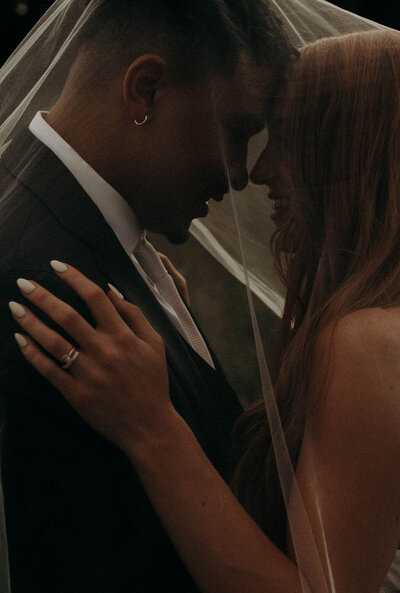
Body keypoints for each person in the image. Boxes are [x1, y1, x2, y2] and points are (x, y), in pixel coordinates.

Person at [10, 28, 400, 593]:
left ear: (352, 154)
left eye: (287, 139)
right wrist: (175, 332)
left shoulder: (369, 341)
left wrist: (151, 429)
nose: (259, 172)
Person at [0, 1, 297, 591]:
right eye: (236, 132)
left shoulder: (105, 247)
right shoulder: (44, 288)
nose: (239, 175)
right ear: (146, 90)